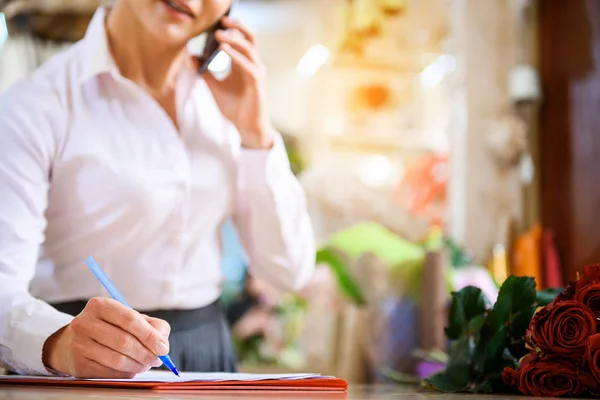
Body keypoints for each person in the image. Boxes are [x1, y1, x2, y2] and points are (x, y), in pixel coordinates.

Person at [0, 0, 315, 378]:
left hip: (207, 356)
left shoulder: (229, 99)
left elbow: (288, 272)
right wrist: (57, 341)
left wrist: (256, 133)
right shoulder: (35, 105)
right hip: (89, 358)